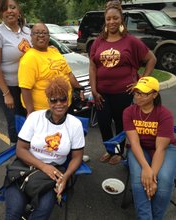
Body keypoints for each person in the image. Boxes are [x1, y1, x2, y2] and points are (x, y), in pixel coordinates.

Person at [5, 76, 85, 219]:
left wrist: (65, 177)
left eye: (63, 99)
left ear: (68, 100)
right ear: (48, 101)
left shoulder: (75, 125)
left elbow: (77, 157)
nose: (59, 104)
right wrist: (44, 167)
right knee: (14, 212)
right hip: (25, 167)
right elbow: (20, 149)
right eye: (54, 100)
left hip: (54, 174)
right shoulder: (35, 118)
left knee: (42, 211)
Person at [89, 0, 156, 164]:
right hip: (101, 94)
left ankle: (119, 152)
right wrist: (94, 89)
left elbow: (151, 59)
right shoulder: (99, 41)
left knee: (121, 123)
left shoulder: (130, 41)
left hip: (123, 93)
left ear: (121, 20)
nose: (111, 22)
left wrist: (141, 83)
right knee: (104, 124)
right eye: (108, 19)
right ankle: (109, 150)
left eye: (115, 18)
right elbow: (92, 65)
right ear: (105, 21)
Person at [123, 76, 176, 220]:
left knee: (164, 179)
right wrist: (146, 169)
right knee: (139, 179)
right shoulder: (129, 112)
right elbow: (134, 142)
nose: (138, 96)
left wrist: (152, 175)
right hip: (139, 148)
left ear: (154, 94)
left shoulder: (165, 115)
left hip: (165, 149)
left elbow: (161, 148)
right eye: (136, 92)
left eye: (143, 93)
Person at [0, 0, 31, 146]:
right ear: (0, 14)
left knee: (29, 119)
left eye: (12, 7)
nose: (10, 11)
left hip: (26, 86)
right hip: (8, 86)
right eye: (5, 9)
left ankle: (30, 152)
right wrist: (6, 94)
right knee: (15, 122)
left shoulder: (27, 31)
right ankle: (17, 155)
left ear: (18, 10)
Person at [18, 22, 84, 116]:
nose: (41, 35)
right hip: (44, 111)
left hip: (65, 105)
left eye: (44, 33)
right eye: (37, 33)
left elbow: (68, 73)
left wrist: (79, 89)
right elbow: (25, 88)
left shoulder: (54, 51)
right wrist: (30, 112)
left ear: (49, 37)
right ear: (31, 37)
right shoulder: (29, 58)